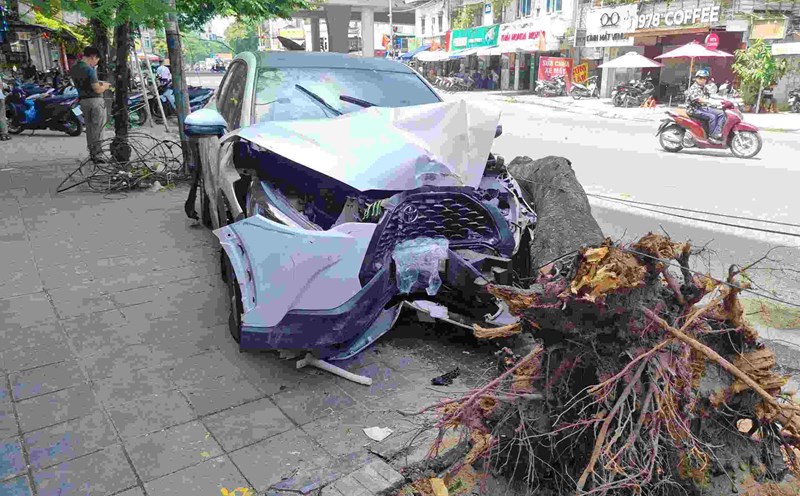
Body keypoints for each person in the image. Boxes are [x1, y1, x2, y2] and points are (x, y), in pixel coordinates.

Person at [70, 46, 111, 163]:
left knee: (89, 128)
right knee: (98, 128)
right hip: (95, 101)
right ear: (93, 57)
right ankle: (98, 154)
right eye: (97, 60)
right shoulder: (89, 69)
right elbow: (97, 89)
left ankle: (92, 152)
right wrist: (105, 86)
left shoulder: (74, 68)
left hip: (83, 101)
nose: (96, 63)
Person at [685, 69, 726, 143]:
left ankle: (717, 133)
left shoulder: (704, 87)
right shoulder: (694, 88)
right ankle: (712, 136)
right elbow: (698, 99)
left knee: (721, 113)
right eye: (701, 78)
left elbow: (711, 95)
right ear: (696, 78)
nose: (703, 80)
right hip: (693, 109)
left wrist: (722, 99)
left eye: (704, 78)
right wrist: (711, 102)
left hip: (702, 108)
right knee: (712, 117)